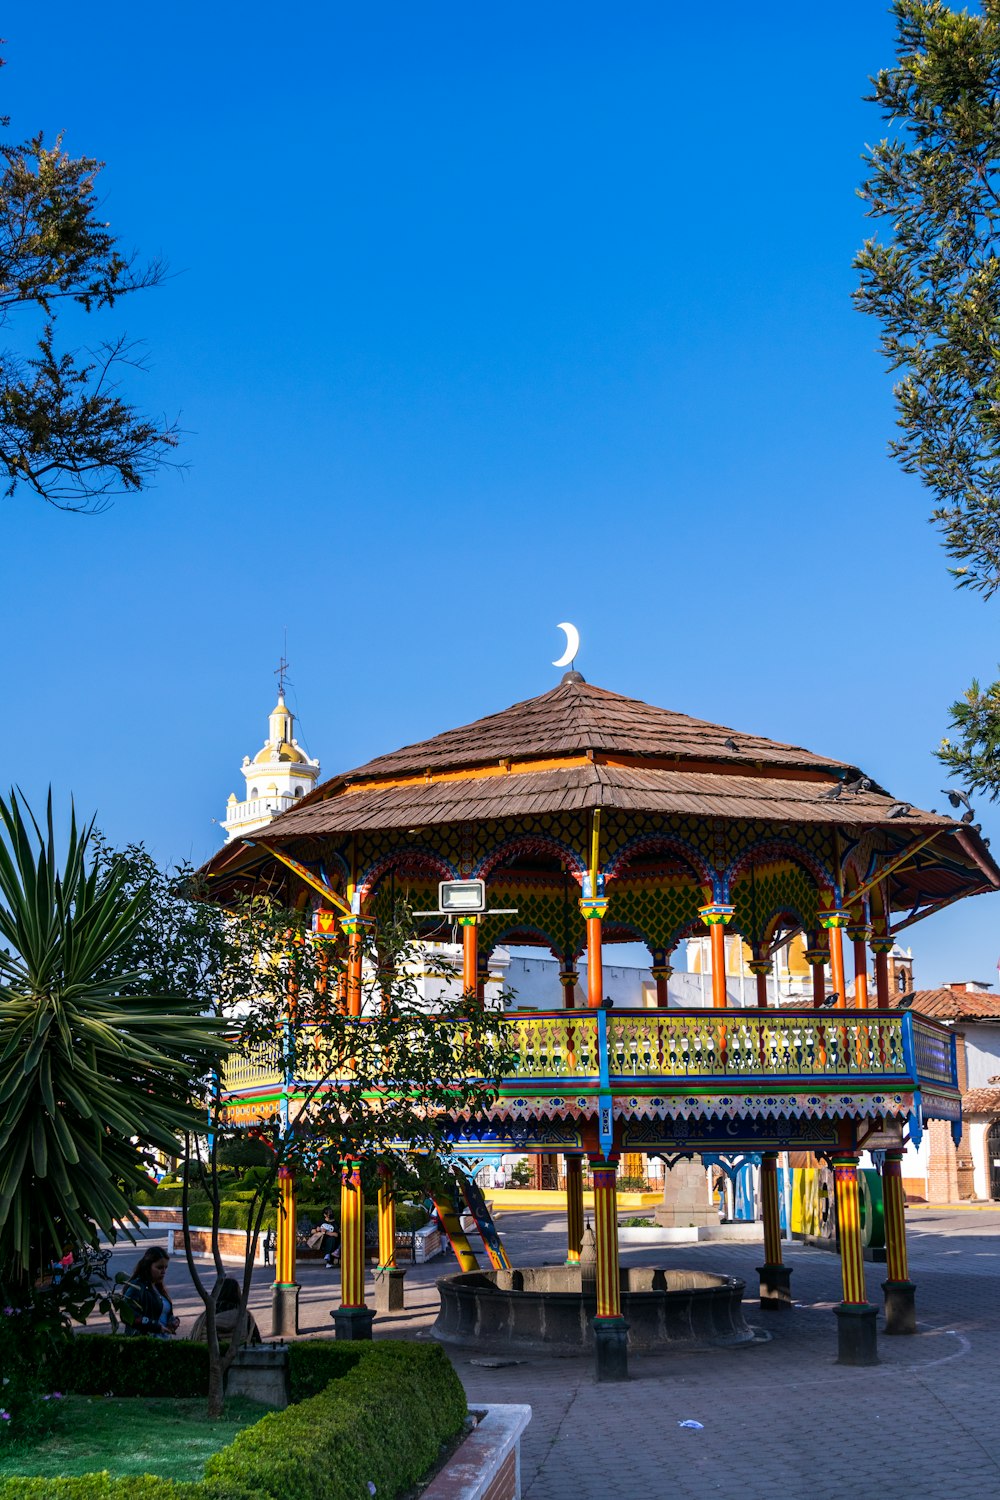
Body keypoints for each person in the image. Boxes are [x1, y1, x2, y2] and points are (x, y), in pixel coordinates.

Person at [119, 1246, 180, 1337]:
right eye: (159, 1268)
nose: (163, 1272)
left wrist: (173, 1321)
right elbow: (126, 1314)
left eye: (165, 1268)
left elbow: (162, 1313)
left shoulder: (158, 1287)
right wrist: (154, 1326)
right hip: (145, 1343)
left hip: (163, 1342)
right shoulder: (137, 1286)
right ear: (148, 1266)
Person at [188, 1277, 261, 1345]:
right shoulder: (247, 1318)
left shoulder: (204, 1318)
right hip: (239, 1358)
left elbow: (193, 1342)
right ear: (238, 1295)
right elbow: (258, 1344)